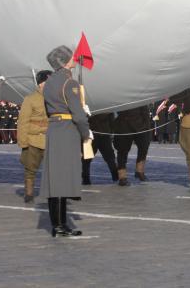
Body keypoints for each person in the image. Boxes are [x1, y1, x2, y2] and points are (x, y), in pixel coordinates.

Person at [40, 45, 89, 237]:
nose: (74, 58)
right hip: (68, 131)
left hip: (54, 129)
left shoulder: (49, 82)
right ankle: (59, 226)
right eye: (71, 57)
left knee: (55, 179)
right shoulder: (70, 83)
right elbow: (78, 115)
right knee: (63, 179)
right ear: (65, 61)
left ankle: (58, 224)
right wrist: (85, 133)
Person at [17, 70, 51, 203]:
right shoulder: (30, 99)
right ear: (41, 84)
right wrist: (23, 142)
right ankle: (29, 193)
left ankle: (52, 193)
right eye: (48, 82)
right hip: (33, 139)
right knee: (30, 168)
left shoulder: (57, 98)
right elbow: (23, 122)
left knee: (52, 169)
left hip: (50, 139)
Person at [113, 105, 153, 185]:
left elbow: (145, 110)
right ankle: (122, 177)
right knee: (122, 152)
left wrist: (147, 128)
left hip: (140, 126)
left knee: (144, 147)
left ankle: (139, 171)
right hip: (123, 127)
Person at [84, 112, 118, 184]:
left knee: (86, 159)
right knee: (110, 158)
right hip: (102, 134)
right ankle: (116, 177)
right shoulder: (107, 108)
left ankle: (85, 180)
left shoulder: (87, 105)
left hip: (92, 134)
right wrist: (111, 132)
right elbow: (112, 121)